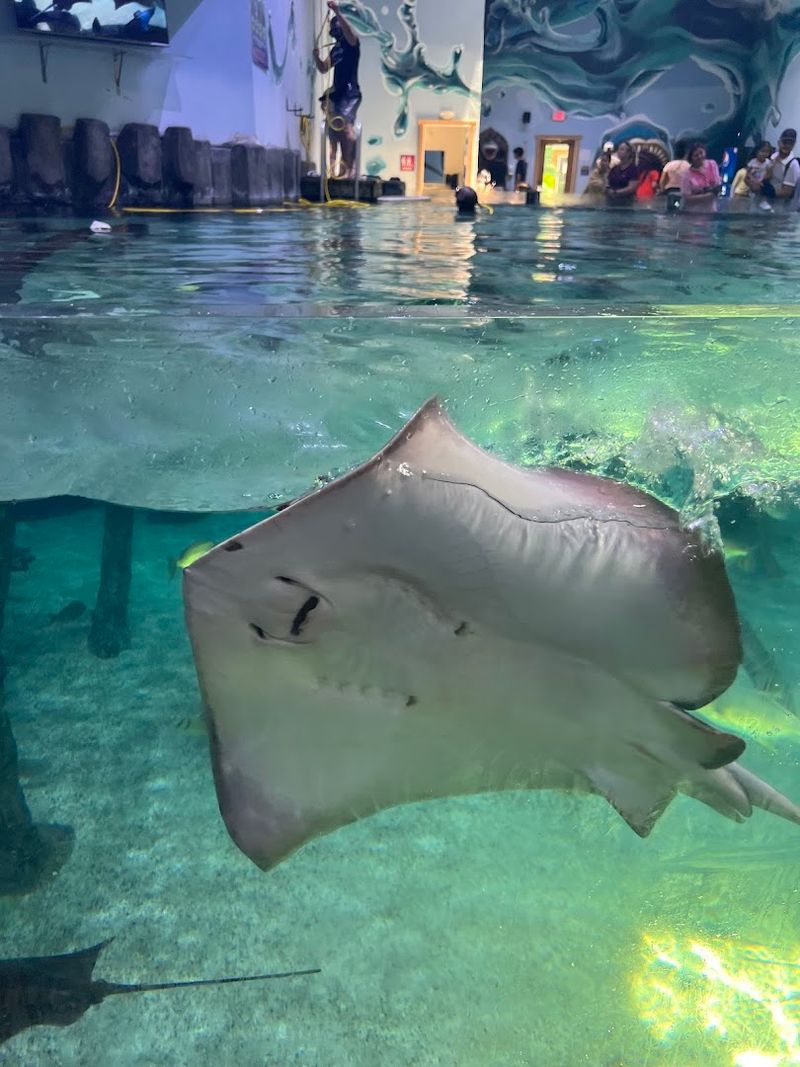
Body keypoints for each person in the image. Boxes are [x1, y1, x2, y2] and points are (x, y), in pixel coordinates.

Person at [313, 1, 361, 181]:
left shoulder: (352, 44)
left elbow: (349, 33)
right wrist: (316, 57)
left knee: (347, 130)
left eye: (337, 25)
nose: (335, 29)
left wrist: (337, 12)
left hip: (350, 93)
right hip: (338, 93)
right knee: (336, 132)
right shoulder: (336, 49)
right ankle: (340, 169)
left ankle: (351, 168)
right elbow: (324, 68)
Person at [679, 142, 721, 211]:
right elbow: (686, 197)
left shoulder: (712, 164)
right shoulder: (687, 174)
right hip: (693, 211)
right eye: (696, 155)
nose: (699, 156)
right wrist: (707, 196)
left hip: (710, 210)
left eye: (701, 153)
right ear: (691, 159)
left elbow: (717, 184)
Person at [766, 129, 799, 204]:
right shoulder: (772, 157)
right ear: (779, 142)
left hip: (779, 209)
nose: (787, 145)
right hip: (763, 203)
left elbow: (786, 192)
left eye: (790, 143)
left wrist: (767, 192)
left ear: (794, 144)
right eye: (785, 142)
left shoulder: (793, 165)